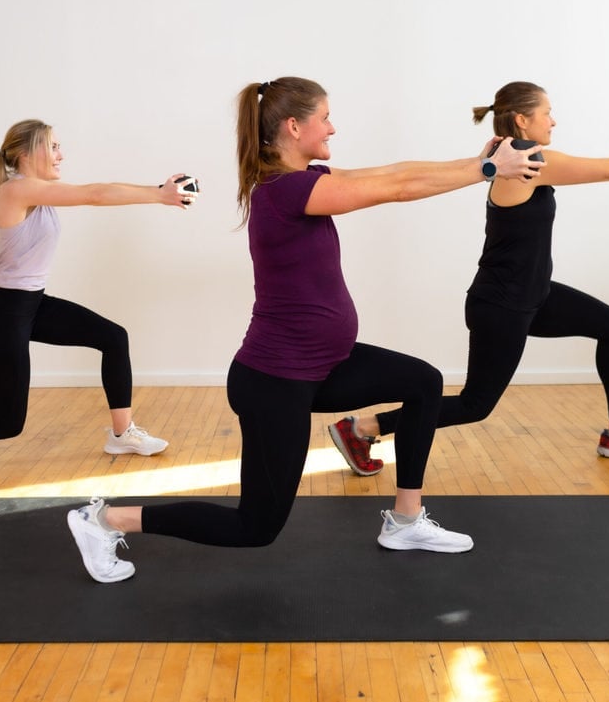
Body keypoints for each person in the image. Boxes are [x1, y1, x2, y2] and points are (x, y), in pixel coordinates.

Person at [65, 77, 542, 582]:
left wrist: (477, 159)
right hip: (276, 381)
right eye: (325, 117)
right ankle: (104, 519)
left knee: (422, 382)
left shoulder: (304, 178)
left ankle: (405, 520)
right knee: (256, 526)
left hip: (323, 365)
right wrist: (488, 169)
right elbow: (397, 190)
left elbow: (395, 172)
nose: (333, 126)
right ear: (294, 126)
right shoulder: (286, 190)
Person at [327, 81, 609, 476]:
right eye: (546, 112)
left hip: (535, 296)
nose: (553, 120)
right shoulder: (522, 157)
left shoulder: (520, 158)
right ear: (521, 119)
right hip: (502, 306)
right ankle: (361, 428)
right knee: (474, 406)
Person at [0, 119, 197, 471]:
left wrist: (158, 189)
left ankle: (122, 435)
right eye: (54, 146)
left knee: (113, 337)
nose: (61, 154)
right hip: (2, 314)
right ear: (26, 154)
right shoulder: (16, 191)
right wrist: (158, 196)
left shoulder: (37, 192)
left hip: (32, 305)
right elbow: (95, 193)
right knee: (7, 424)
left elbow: (102, 188)